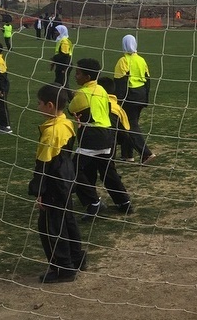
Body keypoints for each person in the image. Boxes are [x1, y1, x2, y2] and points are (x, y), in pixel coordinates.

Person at [27, 83, 87, 283]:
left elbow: (44, 164)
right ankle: (77, 257)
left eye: (39, 103)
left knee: (50, 226)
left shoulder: (51, 133)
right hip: (67, 178)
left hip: (54, 182)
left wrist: (39, 191)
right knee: (67, 220)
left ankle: (63, 268)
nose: (37, 107)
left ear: (50, 105)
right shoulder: (67, 123)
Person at [68, 58, 133, 219]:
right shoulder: (102, 90)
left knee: (74, 169)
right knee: (107, 171)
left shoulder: (82, 93)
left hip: (92, 135)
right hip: (107, 135)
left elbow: (71, 109)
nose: (75, 76)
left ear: (87, 77)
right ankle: (124, 202)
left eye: (78, 73)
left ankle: (93, 202)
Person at [113, 35, 155, 164]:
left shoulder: (123, 61)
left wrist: (119, 100)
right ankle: (127, 155)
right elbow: (148, 80)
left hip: (129, 96)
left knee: (130, 126)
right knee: (128, 124)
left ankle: (146, 153)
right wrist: (146, 98)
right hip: (141, 95)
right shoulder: (141, 60)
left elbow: (120, 82)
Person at [97, 75, 132, 161]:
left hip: (100, 139)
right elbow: (126, 127)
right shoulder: (118, 108)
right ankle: (128, 155)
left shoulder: (97, 103)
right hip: (115, 139)